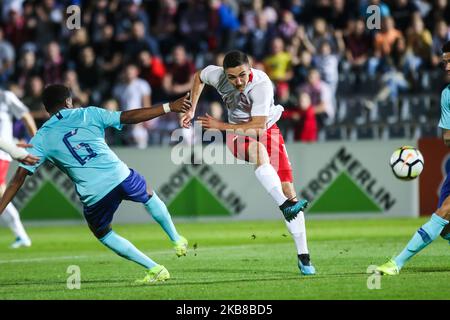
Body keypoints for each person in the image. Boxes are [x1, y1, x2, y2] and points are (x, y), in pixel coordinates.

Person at [0, 84, 192, 284]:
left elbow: (18, 179)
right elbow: (128, 116)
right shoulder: (89, 113)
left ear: (47, 109)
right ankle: (176, 238)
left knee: (103, 233)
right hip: (120, 175)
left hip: (94, 193)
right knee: (148, 193)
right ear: (68, 101)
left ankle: (155, 268)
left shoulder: (41, 137)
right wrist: (169, 106)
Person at [180, 50, 315, 275]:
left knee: (289, 189)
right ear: (224, 74)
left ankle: (304, 257)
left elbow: (259, 127)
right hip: (238, 134)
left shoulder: (261, 85)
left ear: (250, 70)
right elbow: (198, 77)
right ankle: (285, 205)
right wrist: (192, 107)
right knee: (258, 151)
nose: (238, 81)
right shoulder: (217, 76)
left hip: (264, 128)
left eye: (242, 75)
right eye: (232, 77)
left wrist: (220, 126)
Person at [376, 41, 450, 275]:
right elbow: (447, 138)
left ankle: (397, 263)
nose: (446, 67)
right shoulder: (447, 95)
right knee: (445, 228)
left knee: (443, 213)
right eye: (444, 62)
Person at [0, 88, 37, 248]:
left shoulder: (5, 97)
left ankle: (21, 236)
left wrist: (37, 142)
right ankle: (21, 236)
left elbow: (25, 115)